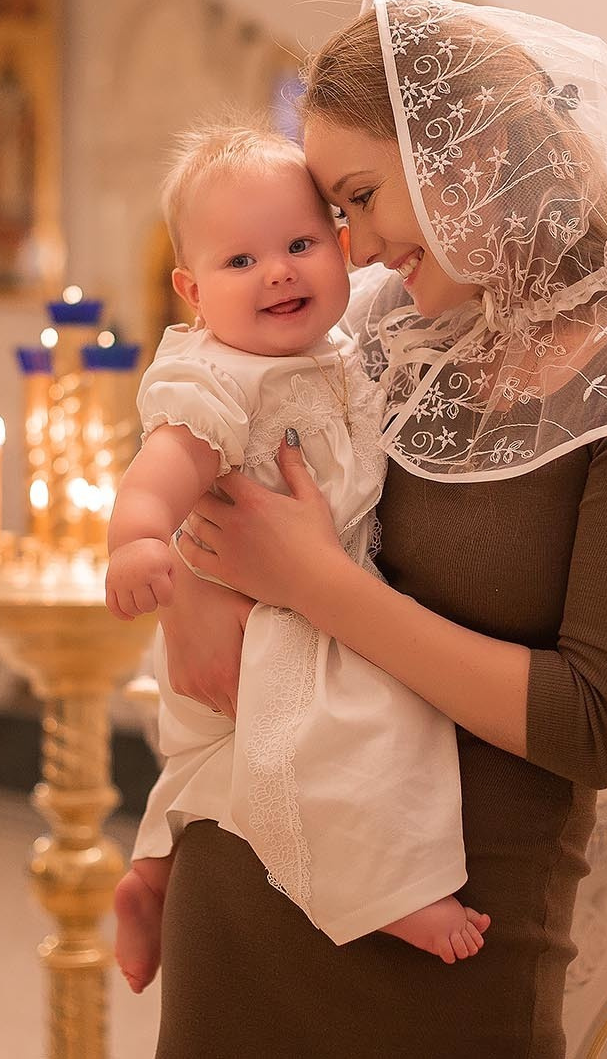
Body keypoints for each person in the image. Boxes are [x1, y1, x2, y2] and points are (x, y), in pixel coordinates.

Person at [143, 0, 607, 1057]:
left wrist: (322, 588)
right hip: (240, 886)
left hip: (447, 952)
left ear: (460, 157)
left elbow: (593, 724)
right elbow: (210, 426)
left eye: (362, 196)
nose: (359, 245)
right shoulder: (393, 331)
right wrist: (196, 585)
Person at [107, 124, 485, 996]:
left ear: (343, 250)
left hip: (288, 603)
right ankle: (390, 889)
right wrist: (136, 540)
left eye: (301, 244)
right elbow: (158, 475)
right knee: (379, 724)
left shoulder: (342, 350)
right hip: (259, 617)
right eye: (241, 262)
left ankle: (151, 878)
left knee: (214, 764)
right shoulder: (220, 382)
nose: (277, 271)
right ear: (192, 291)